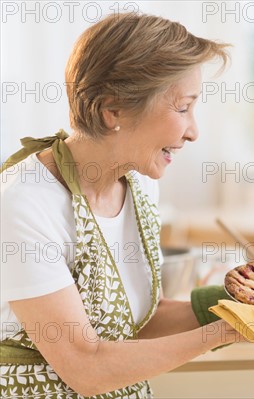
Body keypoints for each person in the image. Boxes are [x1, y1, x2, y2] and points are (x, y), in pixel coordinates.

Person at [0, 12, 241, 398]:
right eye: (183, 108)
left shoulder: (141, 185)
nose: (194, 131)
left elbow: (135, 325)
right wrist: (230, 329)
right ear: (113, 110)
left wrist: (236, 302)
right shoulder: (24, 202)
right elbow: (87, 367)